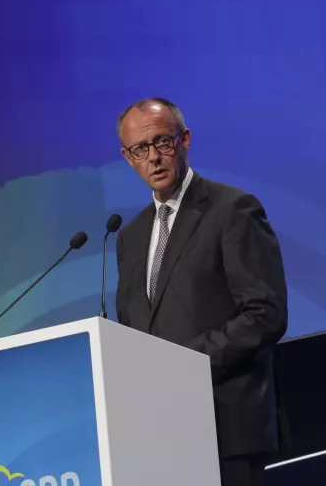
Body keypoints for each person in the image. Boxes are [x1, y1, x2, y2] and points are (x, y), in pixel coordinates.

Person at [114, 98, 288, 486]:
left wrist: (186, 363)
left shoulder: (233, 210)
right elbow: (133, 328)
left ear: (185, 140)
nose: (153, 157)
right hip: (162, 433)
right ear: (128, 157)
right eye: (140, 149)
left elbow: (265, 314)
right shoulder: (130, 236)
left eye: (162, 141)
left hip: (227, 427)